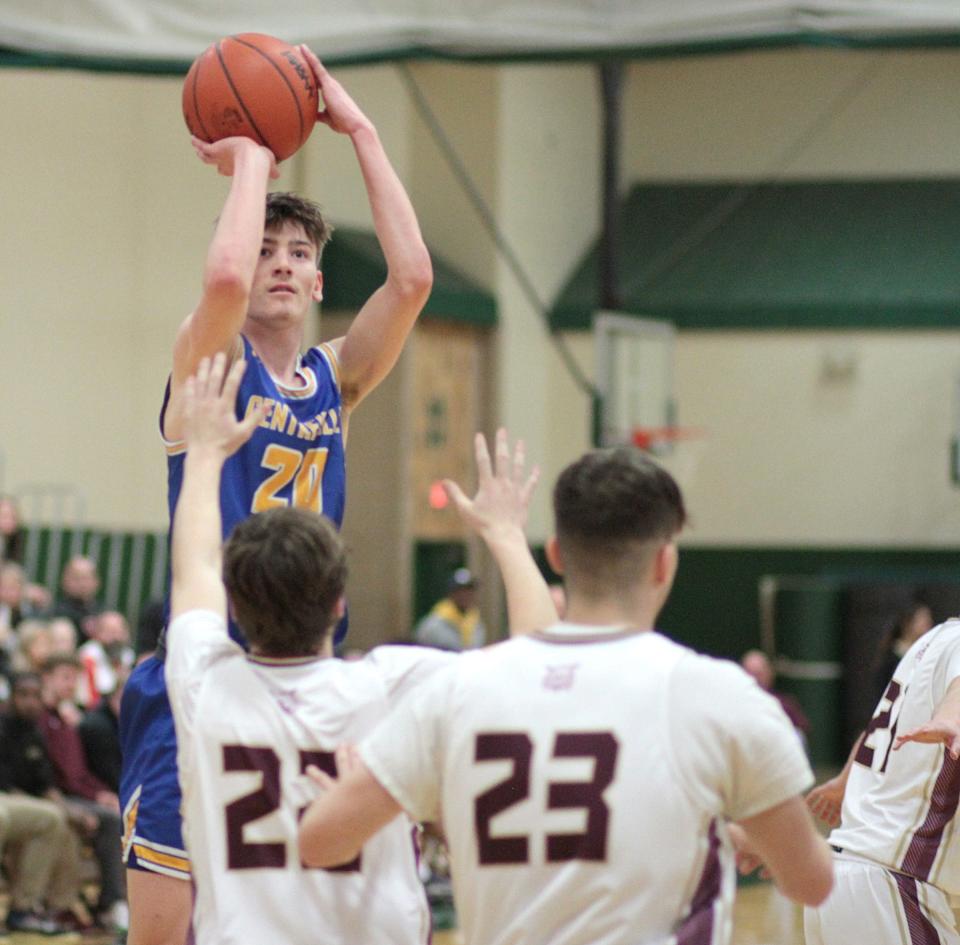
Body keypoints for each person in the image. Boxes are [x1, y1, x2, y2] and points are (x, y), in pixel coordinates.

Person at [119, 47, 433, 945]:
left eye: (299, 253)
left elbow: (412, 280)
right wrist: (255, 155)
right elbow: (220, 282)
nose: (281, 265)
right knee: (169, 928)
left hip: (308, 669)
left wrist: (361, 128)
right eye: (265, 248)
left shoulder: (335, 379)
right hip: (208, 665)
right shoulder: (210, 366)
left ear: (321, 280)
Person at [299, 444, 834, 945]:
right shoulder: (719, 698)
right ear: (664, 564)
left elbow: (318, 841)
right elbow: (812, 883)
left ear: (556, 553)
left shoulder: (457, 690)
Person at [163, 354, 548, 944]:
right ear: (340, 604)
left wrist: (204, 455)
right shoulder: (390, 686)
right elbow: (538, 661)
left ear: (234, 609)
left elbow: (194, 565)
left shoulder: (204, 686)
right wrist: (506, 536)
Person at [805, 616, 960, 944]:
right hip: (891, 884)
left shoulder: (934, 639)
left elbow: (876, 730)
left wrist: (847, 779)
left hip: (844, 877)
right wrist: (951, 719)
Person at [0, 672, 98, 934]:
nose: (30, 702)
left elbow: (46, 786)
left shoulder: (35, 732)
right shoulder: (3, 727)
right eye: (23, 696)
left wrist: (69, 810)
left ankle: (41, 907)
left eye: (36, 696)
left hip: (23, 802)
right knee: (20, 817)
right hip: (7, 799)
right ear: (10, 697)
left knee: (60, 820)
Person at [38, 655, 127, 932]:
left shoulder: (67, 720)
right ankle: (111, 903)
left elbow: (80, 773)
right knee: (109, 820)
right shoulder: (39, 718)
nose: (70, 684)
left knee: (118, 812)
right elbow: (59, 777)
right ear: (47, 678)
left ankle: (111, 902)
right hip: (53, 796)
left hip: (74, 793)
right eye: (64, 676)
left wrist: (101, 793)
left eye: (74, 678)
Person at [741, 648, 811, 745]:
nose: (755, 679)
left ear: (769, 673)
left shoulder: (783, 703)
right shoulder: (736, 704)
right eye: (750, 674)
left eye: (759, 673)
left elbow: (803, 727)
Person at [414, 567, 486, 651]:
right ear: (451, 594)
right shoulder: (432, 625)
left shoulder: (477, 624)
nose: (466, 595)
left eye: (469, 591)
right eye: (460, 591)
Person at [52, 555, 101, 645]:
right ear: (64, 580)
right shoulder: (53, 613)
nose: (82, 583)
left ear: (96, 581)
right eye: (76, 578)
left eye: (86, 578)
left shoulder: (104, 613)